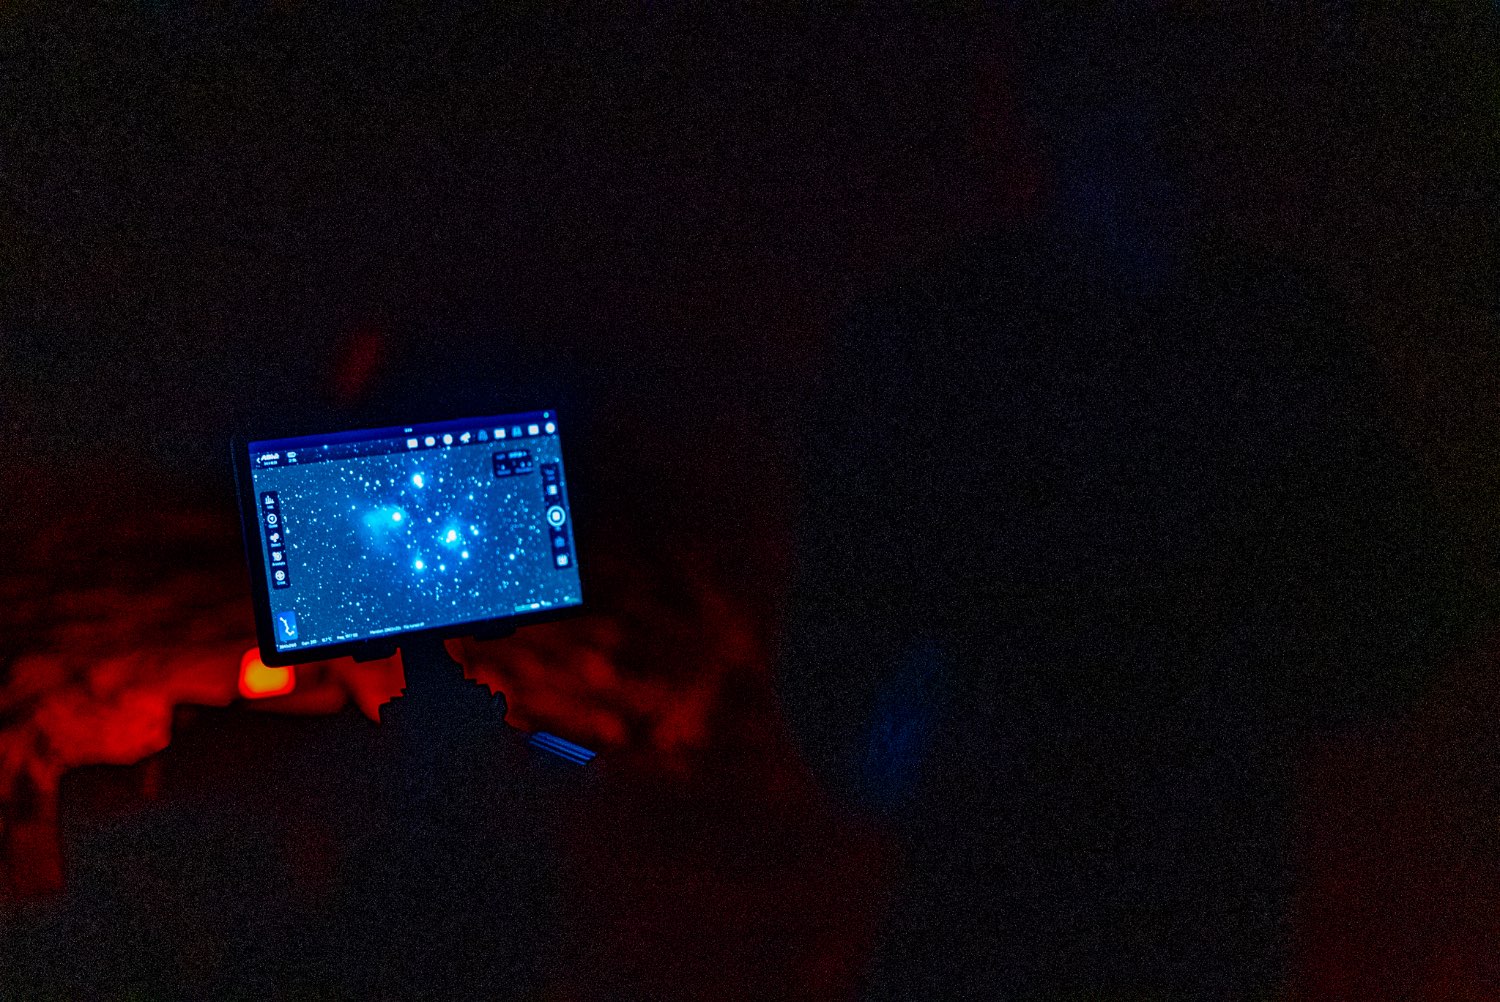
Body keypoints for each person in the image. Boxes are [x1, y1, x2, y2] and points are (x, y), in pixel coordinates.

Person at [775, 11, 1486, 998]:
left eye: (1169, 132)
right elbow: (840, 618)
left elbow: (1410, 597)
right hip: (1029, 877)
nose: (1151, 170)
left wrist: (1239, 683)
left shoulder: (1272, 334)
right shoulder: (942, 334)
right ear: (1053, 128)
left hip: (1172, 878)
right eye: (1117, 130)